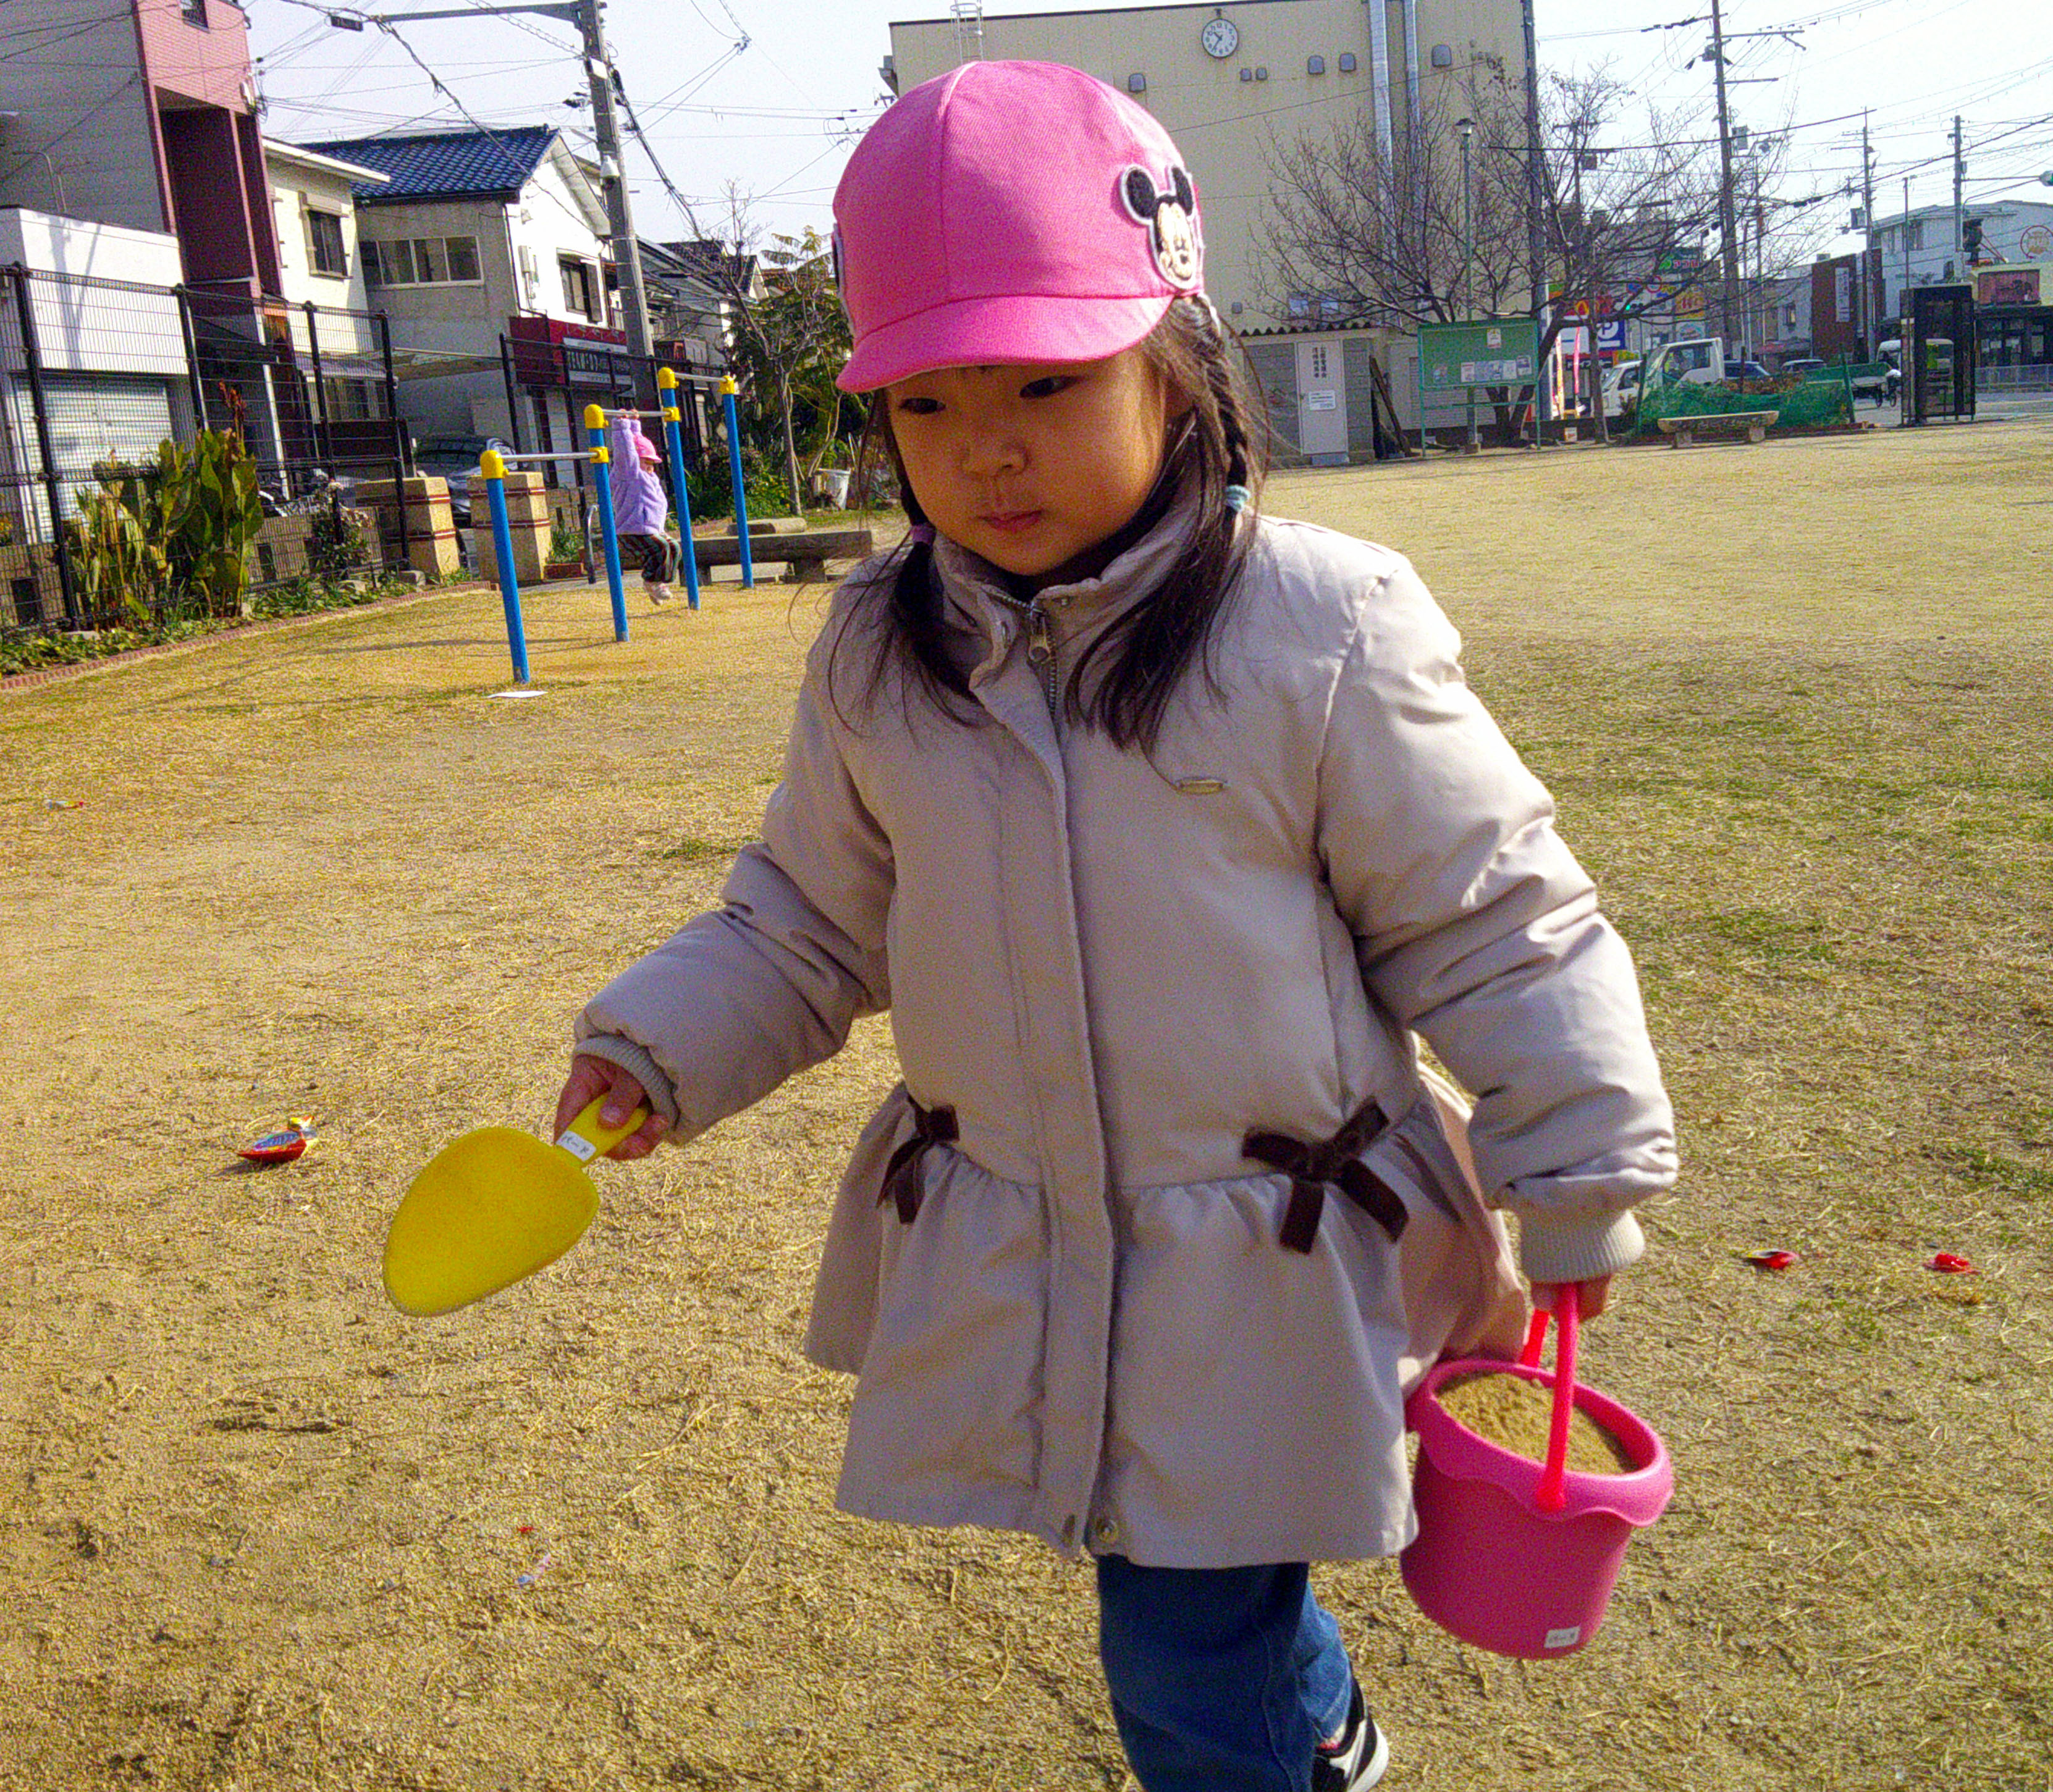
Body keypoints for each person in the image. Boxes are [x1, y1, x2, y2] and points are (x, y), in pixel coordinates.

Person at [555, 60, 1675, 1792]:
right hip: (1040, 1243)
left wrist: (1580, 1166)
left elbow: (1496, 918)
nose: (984, 444)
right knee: (1182, 1568)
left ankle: (1279, 1741)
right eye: (925, 401)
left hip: (1269, 1257)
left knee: (1177, 1635)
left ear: (1176, 362)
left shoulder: (1315, 627)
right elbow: (804, 919)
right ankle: (1318, 1721)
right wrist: (658, 1046)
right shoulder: (880, 653)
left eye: (1045, 380)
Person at [607, 414, 680, 605]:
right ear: (635, 460)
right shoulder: (628, 473)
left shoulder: (649, 477)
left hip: (650, 529)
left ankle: (656, 584)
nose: (650, 466)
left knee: (674, 547)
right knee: (662, 548)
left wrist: (634, 425)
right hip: (632, 530)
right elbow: (626, 452)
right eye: (646, 462)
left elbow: (637, 443)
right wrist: (622, 426)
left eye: (652, 463)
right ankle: (651, 582)